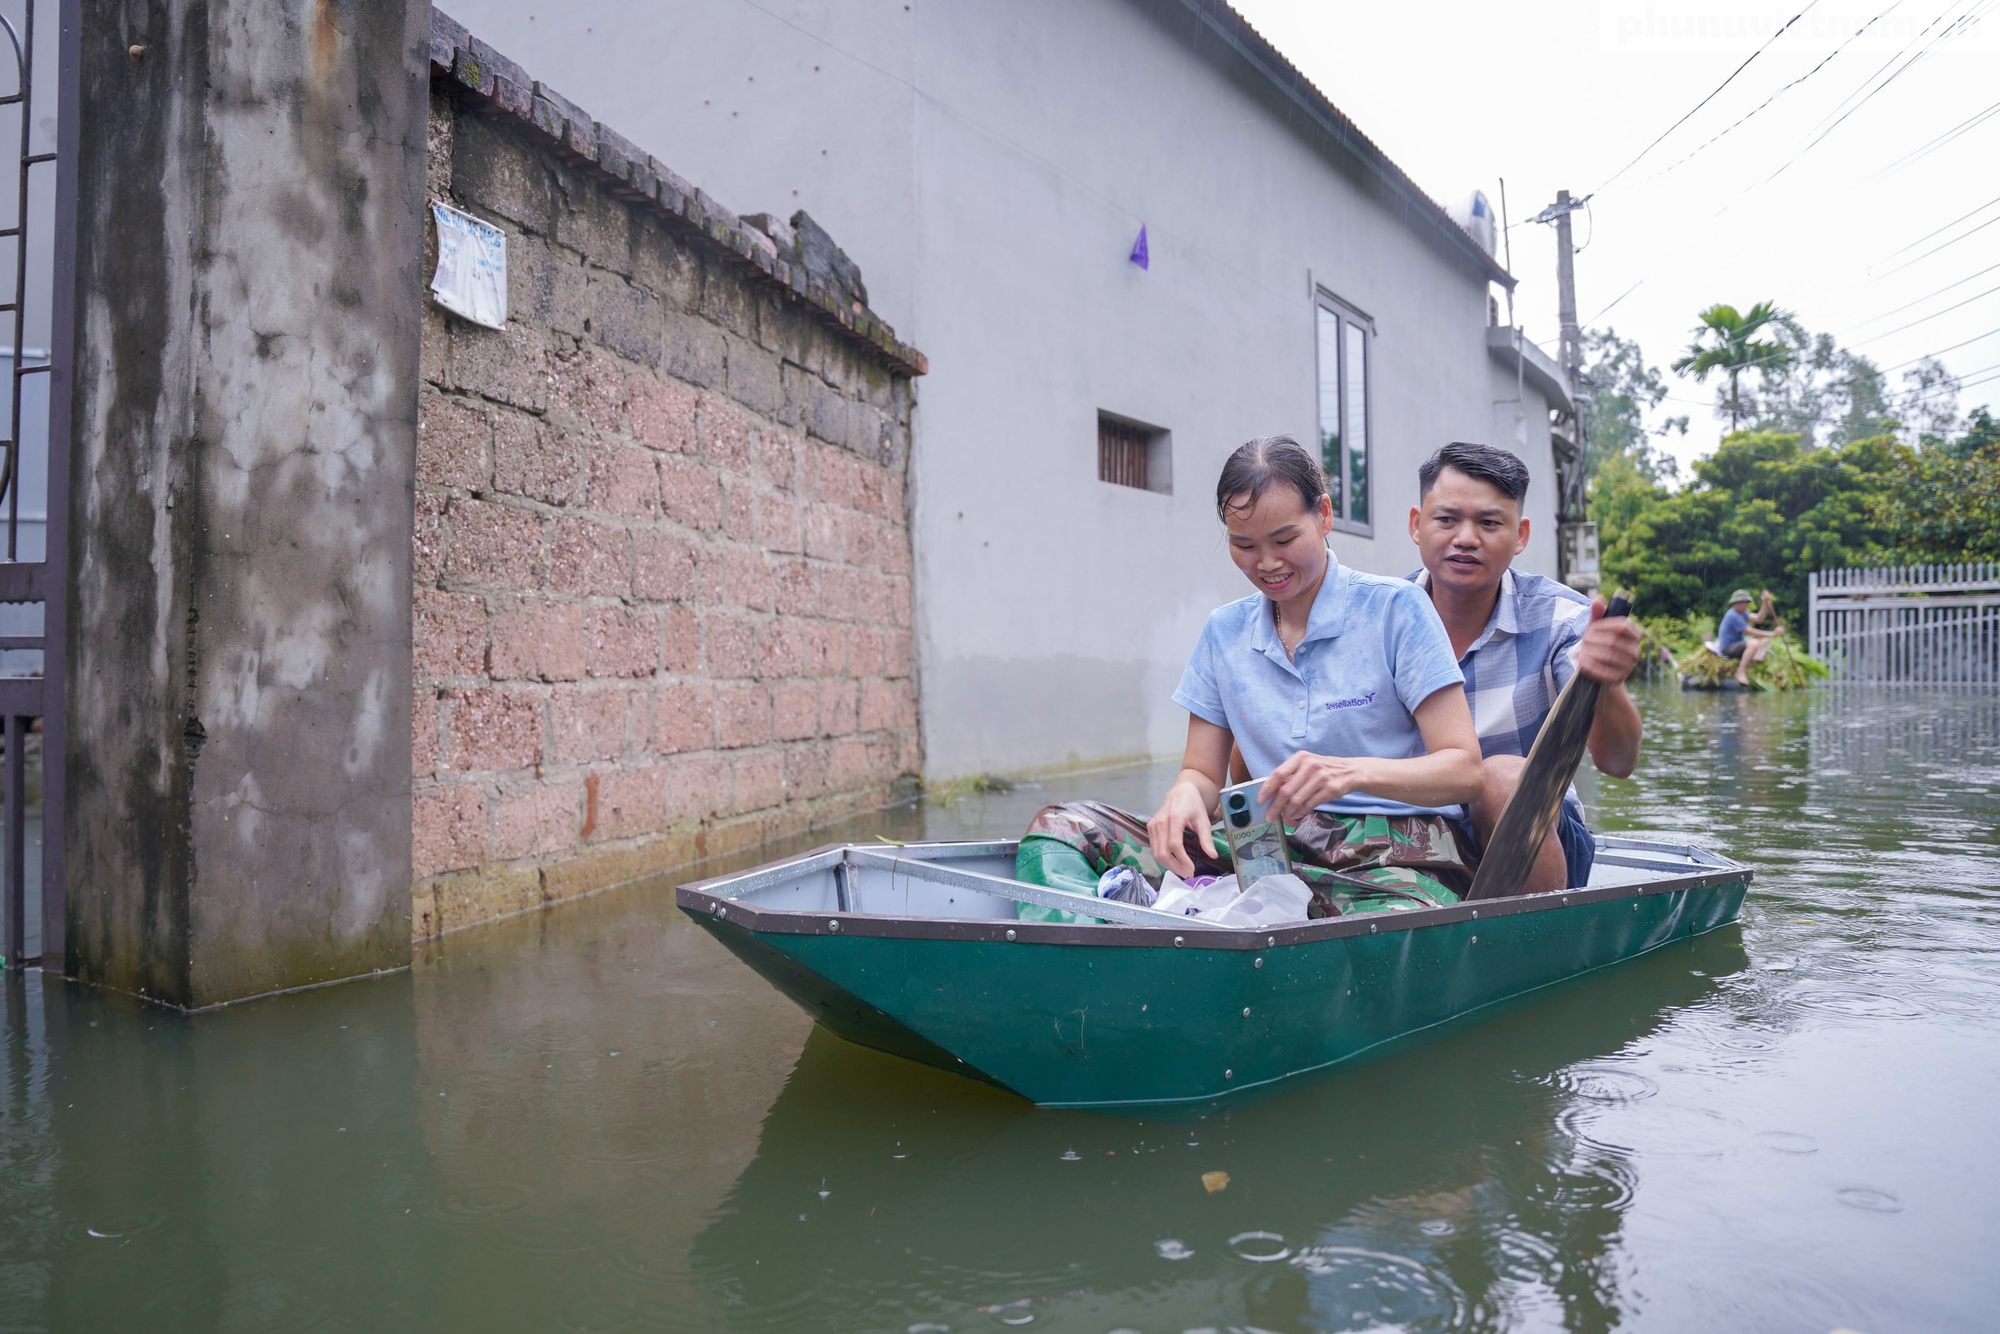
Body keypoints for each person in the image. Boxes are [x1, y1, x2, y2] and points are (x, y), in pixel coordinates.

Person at [1015, 435, 1486, 918]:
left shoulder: (1395, 609)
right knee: (1061, 829)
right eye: (1244, 545)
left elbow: (1465, 771)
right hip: (1265, 848)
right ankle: (1108, 952)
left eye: (1285, 540)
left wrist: (1349, 773)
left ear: (1323, 515)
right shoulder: (1225, 632)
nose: (1267, 563)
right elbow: (1201, 772)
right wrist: (1183, 797)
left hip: (1396, 856)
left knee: (1390, 928)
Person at [1407, 441, 1644, 893]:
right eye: (1447, 519)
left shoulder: (1562, 618)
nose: (1466, 538)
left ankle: (1541, 941)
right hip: (1412, 835)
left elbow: (1618, 763)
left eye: (1490, 522)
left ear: (1520, 535)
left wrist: (1606, 685)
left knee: (1498, 779)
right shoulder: (1381, 616)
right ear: (1417, 525)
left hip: (1537, 835)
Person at [1718, 588, 1778, 687]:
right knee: (1754, 642)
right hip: (1728, 648)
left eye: (1746, 602)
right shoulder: (1733, 615)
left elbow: (1759, 619)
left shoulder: (1743, 613)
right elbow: (1750, 631)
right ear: (1735, 604)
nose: (1745, 605)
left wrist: (1765, 603)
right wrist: (1773, 633)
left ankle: (1757, 656)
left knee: (1765, 639)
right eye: (1743, 603)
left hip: (1738, 645)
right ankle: (1740, 672)